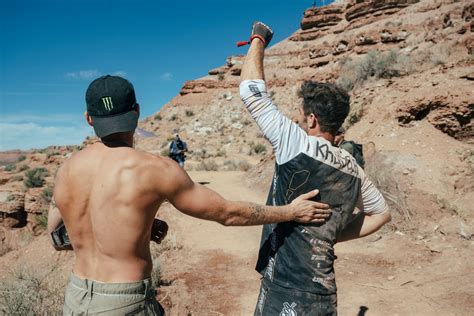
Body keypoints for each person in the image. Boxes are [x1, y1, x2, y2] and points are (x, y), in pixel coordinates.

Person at [47, 75, 333, 315]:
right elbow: (226, 213)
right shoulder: (154, 169)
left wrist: (126, 229)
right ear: (136, 111)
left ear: (88, 118)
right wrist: (290, 212)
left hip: (75, 298)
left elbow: (57, 238)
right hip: (125, 302)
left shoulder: (65, 171)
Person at [239, 22, 391, 315]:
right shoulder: (353, 167)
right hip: (323, 292)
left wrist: (258, 38)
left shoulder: (294, 142)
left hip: (285, 287)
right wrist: (331, 234)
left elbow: (251, 91)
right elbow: (381, 214)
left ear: (311, 119)